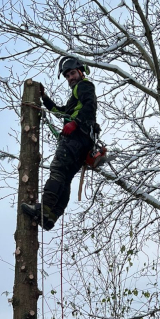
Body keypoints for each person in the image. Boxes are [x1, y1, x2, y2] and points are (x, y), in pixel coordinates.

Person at [22, 56, 98, 231]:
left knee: (58, 171)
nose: (70, 78)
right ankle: (51, 216)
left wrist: (75, 123)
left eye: (72, 73)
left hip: (76, 139)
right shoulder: (75, 96)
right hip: (83, 143)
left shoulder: (84, 86)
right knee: (65, 179)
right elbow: (61, 112)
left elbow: (90, 106)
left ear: (81, 72)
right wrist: (45, 98)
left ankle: (44, 209)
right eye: (67, 76)